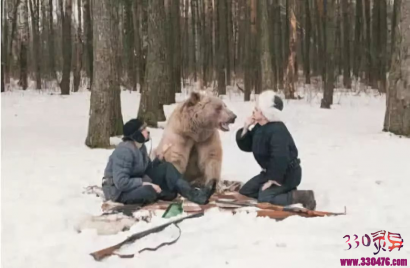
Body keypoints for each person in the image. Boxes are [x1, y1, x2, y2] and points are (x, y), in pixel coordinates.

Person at [102, 118, 217, 206]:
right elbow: (121, 182)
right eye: (143, 129)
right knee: (149, 191)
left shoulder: (140, 147)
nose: (147, 131)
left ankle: (195, 194)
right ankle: (163, 192)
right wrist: (147, 183)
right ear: (136, 135)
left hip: (135, 182)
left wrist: (159, 158)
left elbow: (146, 169)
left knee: (166, 167)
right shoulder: (124, 151)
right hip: (117, 191)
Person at [236, 90, 316, 210]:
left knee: (264, 198)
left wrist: (273, 179)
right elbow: (247, 146)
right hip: (270, 172)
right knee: (245, 192)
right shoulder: (260, 127)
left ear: (264, 113)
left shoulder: (278, 130)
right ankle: (283, 192)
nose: (254, 110)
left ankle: (303, 196)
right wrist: (246, 127)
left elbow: (280, 157)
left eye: (257, 108)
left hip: (287, 174)